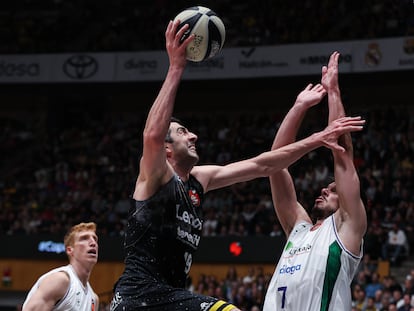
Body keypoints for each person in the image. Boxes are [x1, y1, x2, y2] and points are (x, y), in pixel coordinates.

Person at [109, 20, 365, 311]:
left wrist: (315, 114)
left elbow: (266, 165)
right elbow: (152, 136)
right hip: (141, 295)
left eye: (332, 190)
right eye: (183, 132)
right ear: (167, 150)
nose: (193, 135)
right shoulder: (156, 174)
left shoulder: (342, 226)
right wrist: (176, 66)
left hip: (166, 296)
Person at [263, 51, 367, 310]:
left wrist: (333, 93)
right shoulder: (297, 230)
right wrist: (299, 108)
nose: (325, 189)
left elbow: (342, 153)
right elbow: (275, 166)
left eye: (334, 190)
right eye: (327, 187)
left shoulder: (346, 226)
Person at [22, 222, 99, 311]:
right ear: (70, 250)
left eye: (95, 239)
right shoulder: (60, 280)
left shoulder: (94, 299)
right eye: (84, 238)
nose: (93, 243)